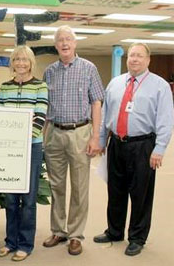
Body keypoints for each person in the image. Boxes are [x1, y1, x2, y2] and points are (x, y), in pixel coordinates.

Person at [94, 43, 173, 256]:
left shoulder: (160, 86)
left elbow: (166, 119)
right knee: (115, 191)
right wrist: (102, 140)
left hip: (143, 145)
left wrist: (159, 149)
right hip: (117, 144)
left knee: (141, 194)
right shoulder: (115, 83)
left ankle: (137, 237)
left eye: (139, 56)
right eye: (131, 56)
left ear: (148, 60)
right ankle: (114, 231)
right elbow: (105, 116)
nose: (134, 59)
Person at [42, 25, 104, 255]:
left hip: (81, 132)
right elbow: (45, 108)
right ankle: (59, 230)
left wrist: (95, 136)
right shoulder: (49, 72)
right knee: (56, 186)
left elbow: (97, 102)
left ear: (75, 43)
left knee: (79, 187)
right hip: (54, 134)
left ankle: (76, 234)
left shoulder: (89, 69)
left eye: (68, 39)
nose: (64, 43)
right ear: (56, 45)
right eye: (60, 40)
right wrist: (43, 135)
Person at [0, 45, 48, 261]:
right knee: (10, 198)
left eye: (24, 60)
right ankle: (10, 241)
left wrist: (21, 139)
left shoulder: (40, 86)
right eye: (16, 59)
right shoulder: (5, 87)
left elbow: (40, 117)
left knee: (27, 199)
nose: (20, 63)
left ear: (31, 62)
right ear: (12, 63)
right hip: (8, 148)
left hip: (31, 146)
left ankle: (25, 244)